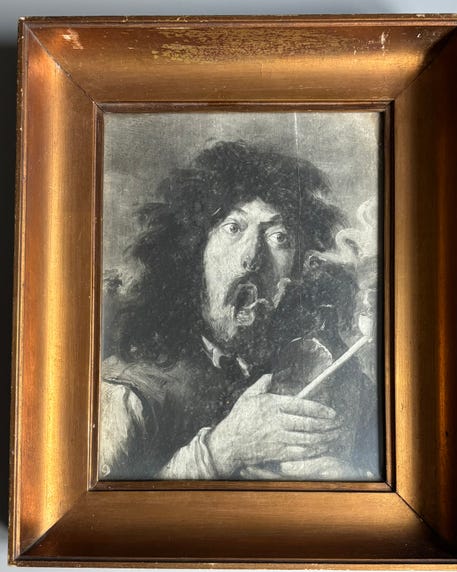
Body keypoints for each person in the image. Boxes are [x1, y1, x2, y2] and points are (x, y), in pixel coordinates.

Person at [99, 140, 380, 481]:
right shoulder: (127, 393)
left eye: (279, 237)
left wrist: (347, 480)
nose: (252, 258)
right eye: (233, 228)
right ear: (194, 252)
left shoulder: (341, 381)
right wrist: (222, 450)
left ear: (300, 267)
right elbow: (108, 510)